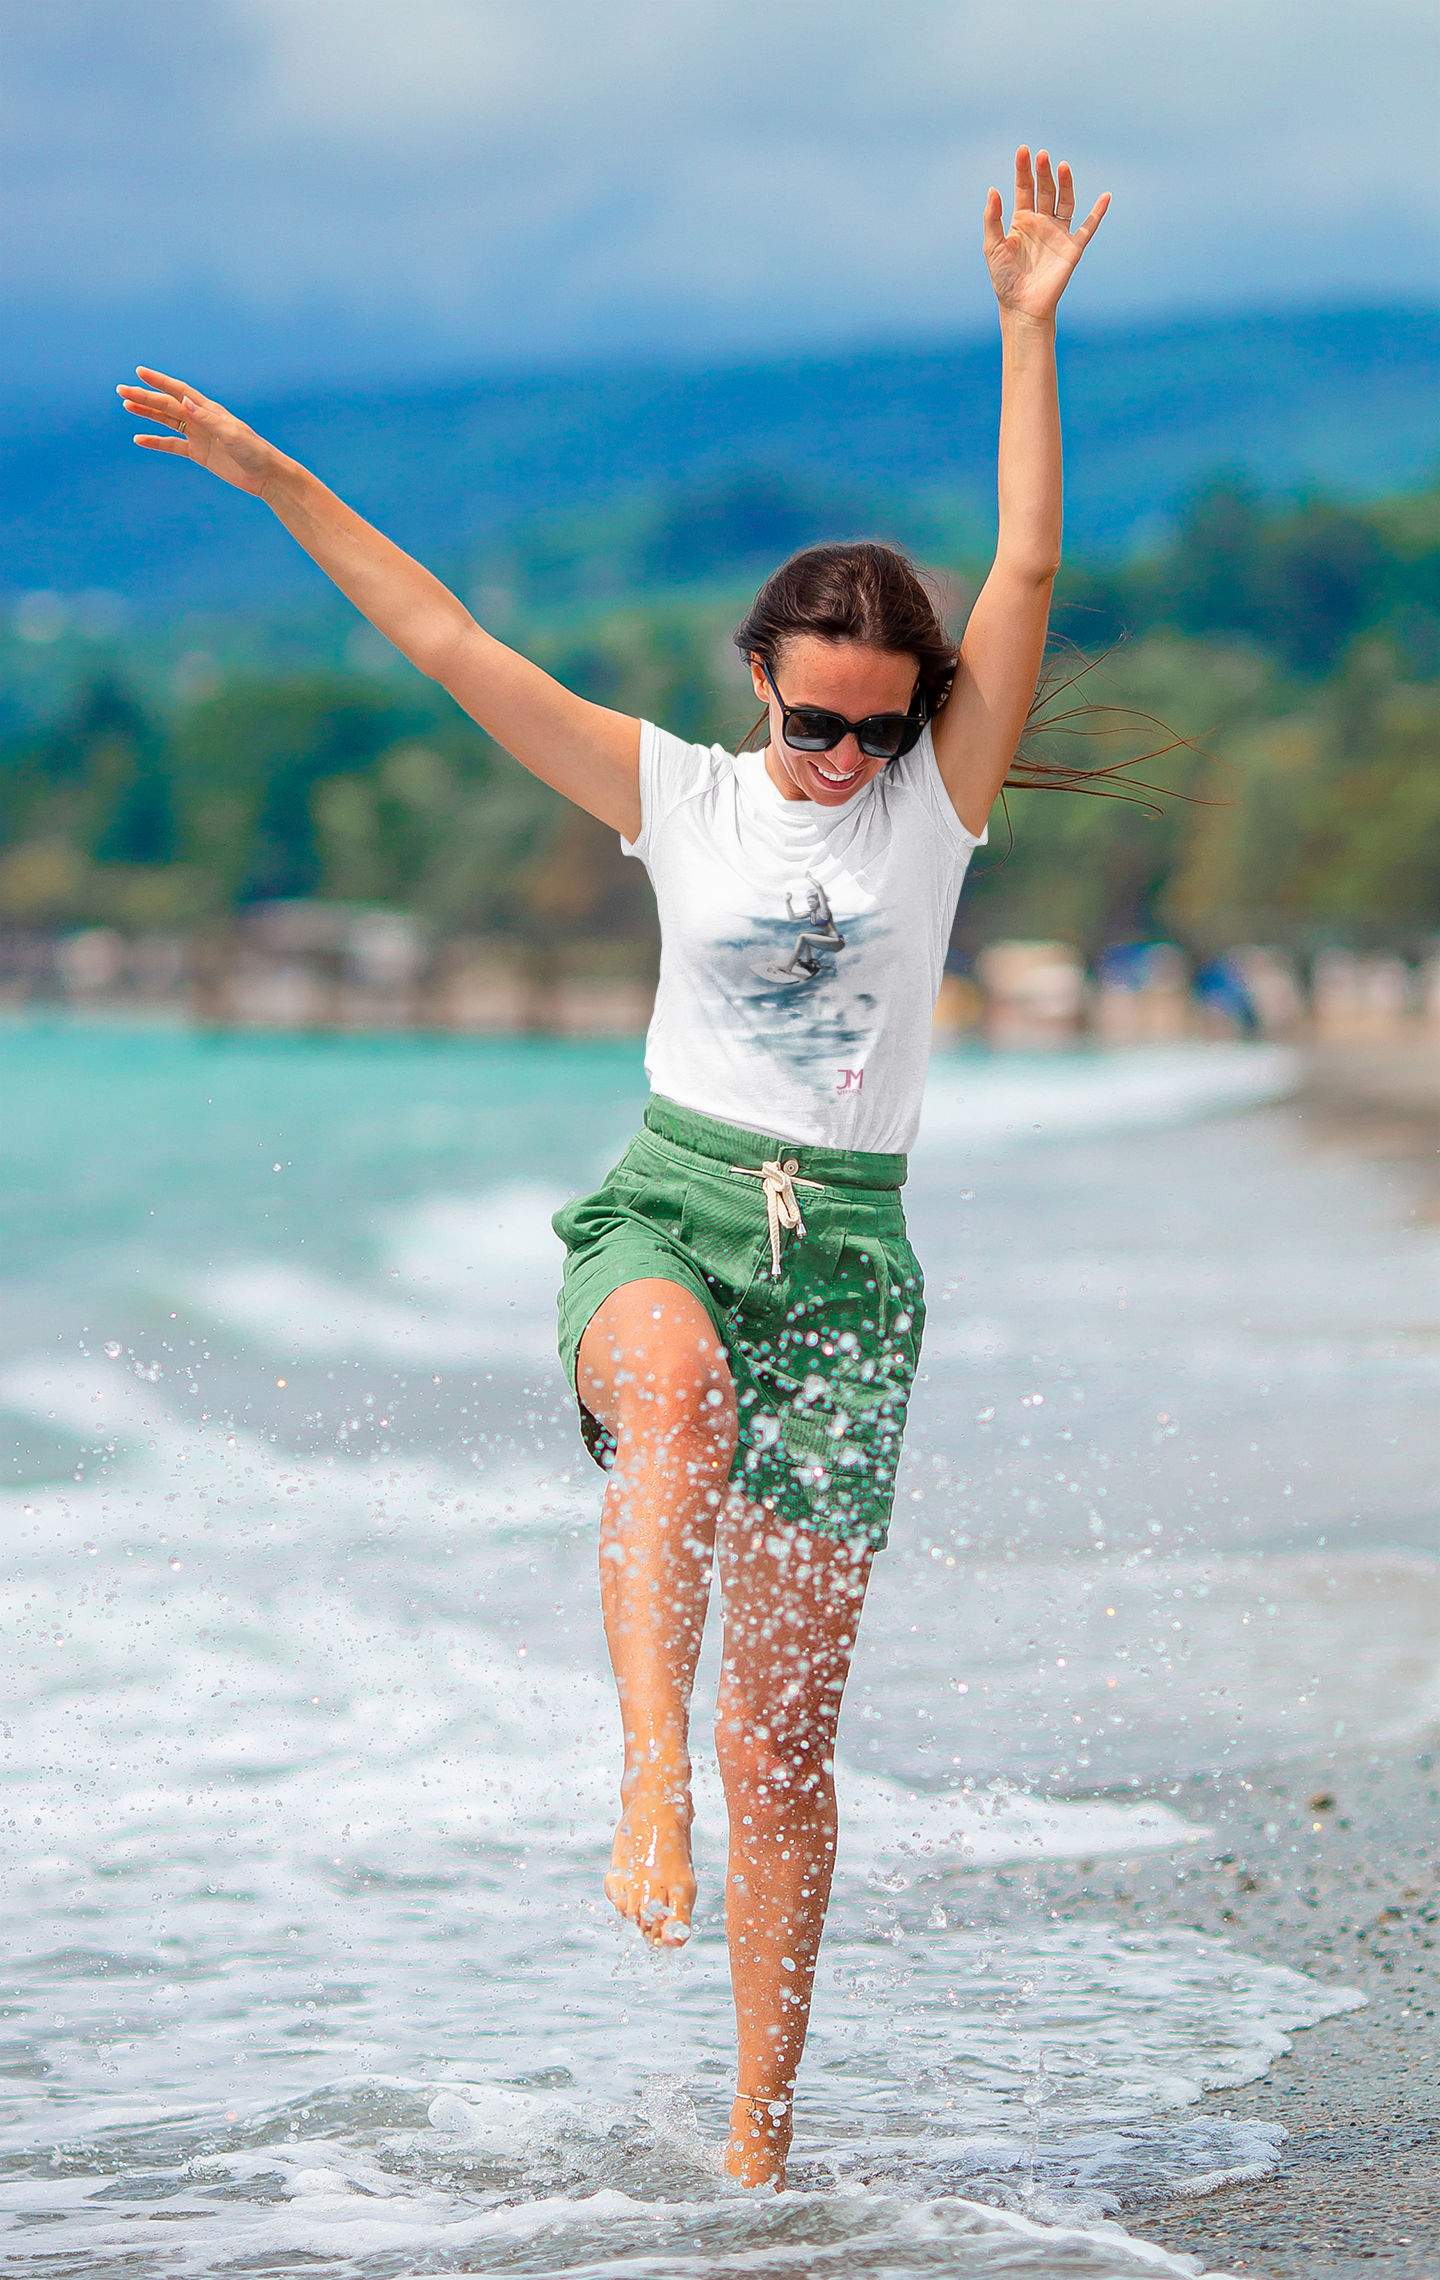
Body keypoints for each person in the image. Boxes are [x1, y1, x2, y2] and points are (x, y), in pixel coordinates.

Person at [119, 144, 1108, 2189]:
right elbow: (450, 641)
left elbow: (1023, 575)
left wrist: (1023, 333)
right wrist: (284, 482)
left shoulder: (936, 815)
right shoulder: (673, 793)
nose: (843, 761)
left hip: (850, 1260)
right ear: (759, 680)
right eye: (815, 723)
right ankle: (639, 1778)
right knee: (669, 1402)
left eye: (877, 729)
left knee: (800, 1750)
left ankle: (755, 2146)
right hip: (666, 1202)